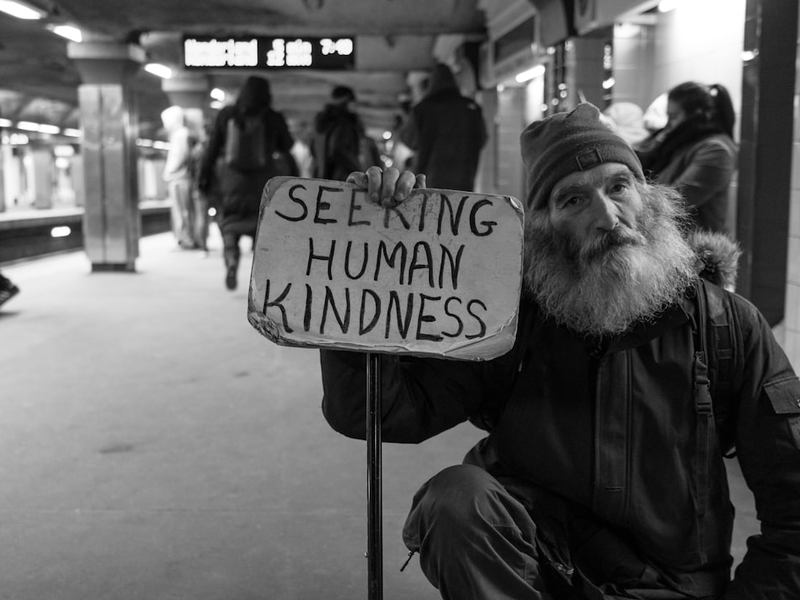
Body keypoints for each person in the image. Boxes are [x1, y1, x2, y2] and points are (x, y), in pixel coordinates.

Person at [320, 103, 800, 599]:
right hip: (539, 573)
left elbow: (793, 501)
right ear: (544, 227)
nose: (607, 217)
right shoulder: (507, 319)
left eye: (619, 187)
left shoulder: (727, 326)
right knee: (456, 500)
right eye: (573, 200)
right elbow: (379, 412)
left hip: (671, 585)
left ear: (649, 198)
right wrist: (368, 266)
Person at [198, 75, 294, 290]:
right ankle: (262, 277)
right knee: (263, 228)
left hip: (231, 182)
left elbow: (211, 150)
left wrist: (204, 179)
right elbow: (287, 146)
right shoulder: (272, 117)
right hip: (263, 183)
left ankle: (232, 259)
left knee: (229, 225)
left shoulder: (227, 115)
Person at [635, 82, 738, 235]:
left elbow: (674, 203)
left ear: (697, 115)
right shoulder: (681, 143)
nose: (668, 124)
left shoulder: (716, 150)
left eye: (673, 117)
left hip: (696, 247)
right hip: (672, 242)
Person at [397, 62, 486, 191]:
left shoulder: (423, 108)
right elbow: (482, 140)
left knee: (430, 204)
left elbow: (407, 138)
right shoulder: (472, 108)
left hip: (429, 180)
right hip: (464, 179)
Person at [312, 85, 378, 181]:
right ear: (346, 100)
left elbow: (314, 149)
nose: (355, 105)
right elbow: (338, 149)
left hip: (324, 176)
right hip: (343, 177)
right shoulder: (344, 123)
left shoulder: (324, 123)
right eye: (352, 100)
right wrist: (357, 170)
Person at [161, 105, 195, 250]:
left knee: (182, 212)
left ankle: (185, 239)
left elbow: (180, 156)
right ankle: (185, 238)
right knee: (183, 211)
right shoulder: (182, 134)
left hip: (179, 178)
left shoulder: (181, 135)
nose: (165, 125)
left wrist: (168, 172)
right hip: (181, 178)